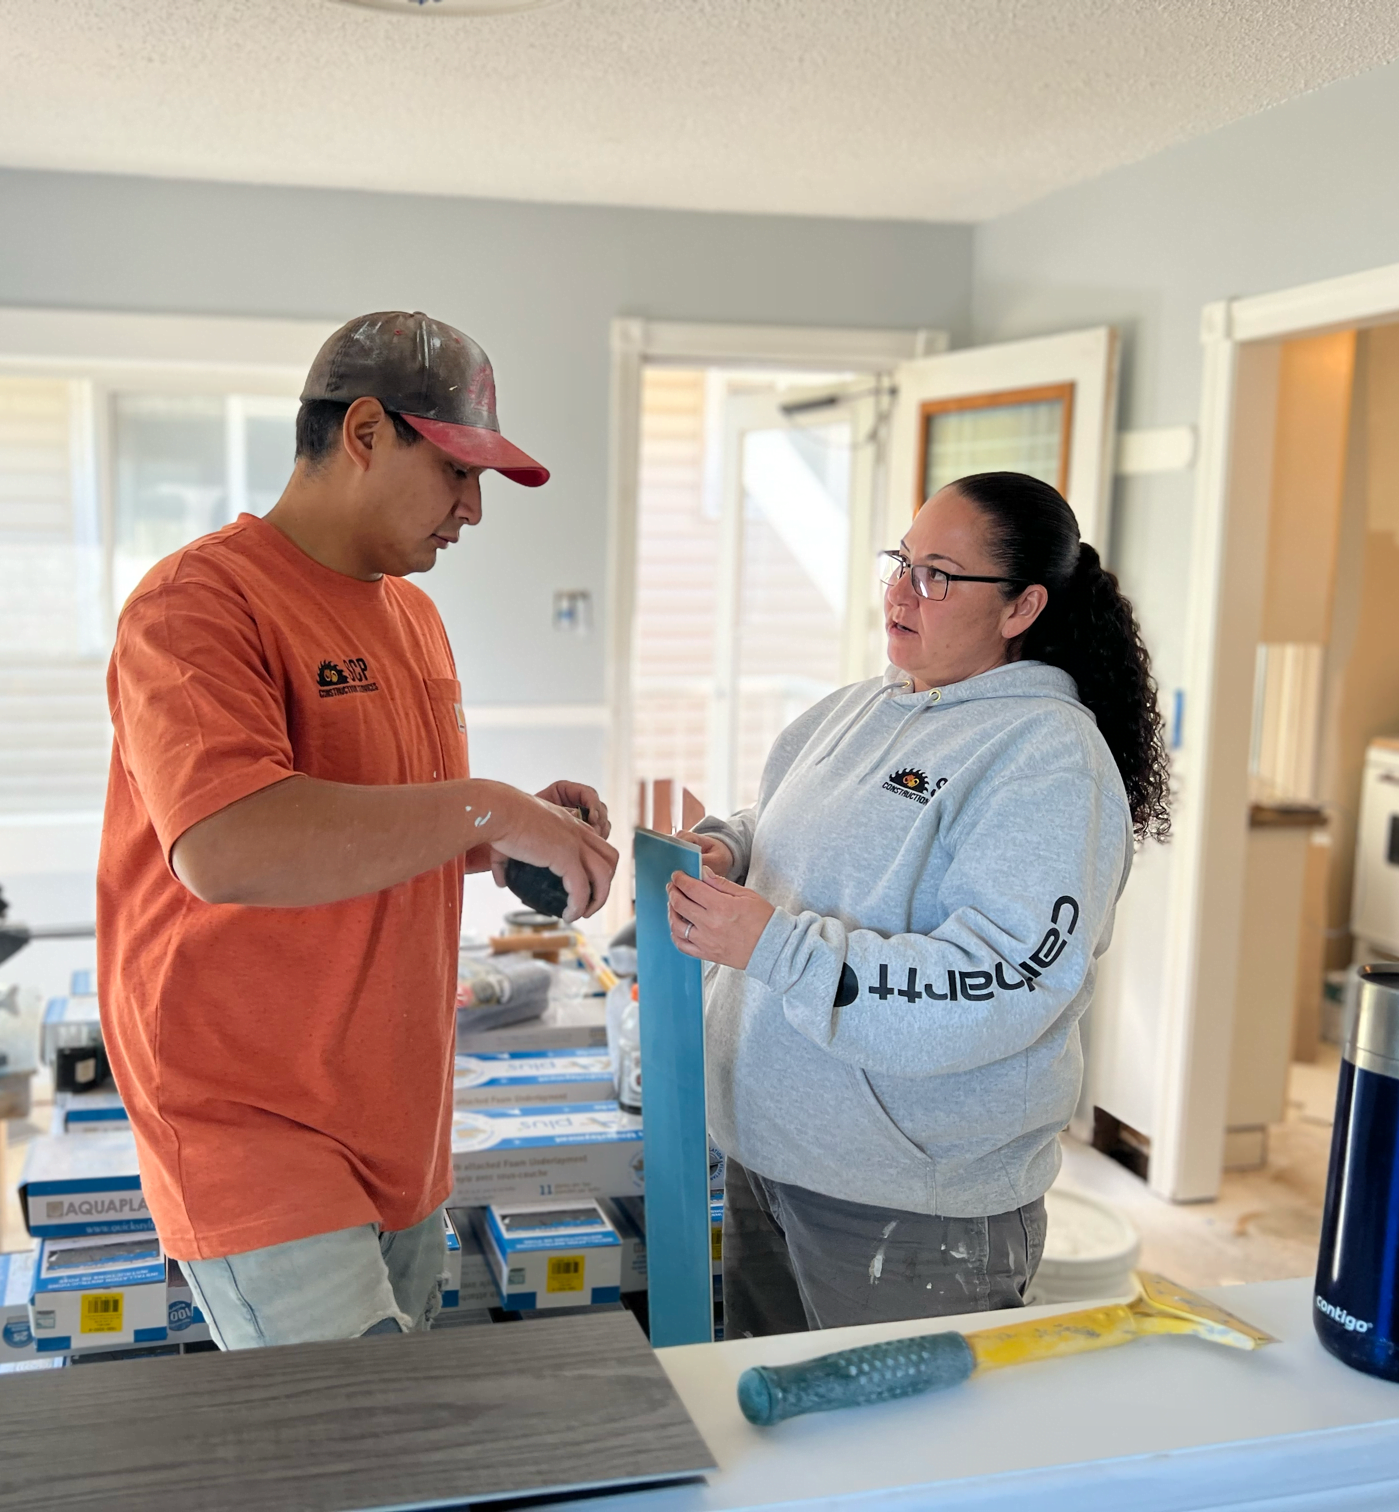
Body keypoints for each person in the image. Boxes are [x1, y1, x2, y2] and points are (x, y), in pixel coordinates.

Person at [97, 312, 619, 1350]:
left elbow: (377, 821)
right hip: (251, 1122)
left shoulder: (410, 615)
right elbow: (229, 844)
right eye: (459, 472)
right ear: (368, 431)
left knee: (398, 1447)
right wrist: (487, 806)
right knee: (354, 1452)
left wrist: (510, 840)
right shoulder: (197, 603)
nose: (474, 510)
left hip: (397, 1119)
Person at [665, 470, 1170, 1338]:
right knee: (779, 1454)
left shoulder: (1047, 758)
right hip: (772, 1163)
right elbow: (798, 827)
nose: (902, 590)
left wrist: (778, 948)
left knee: (894, 1465)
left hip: (908, 1209)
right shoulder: (865, 705)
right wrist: (732, 846)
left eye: (938, 573)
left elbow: (1002, 979)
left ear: (1021, 608)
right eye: (901, 560)